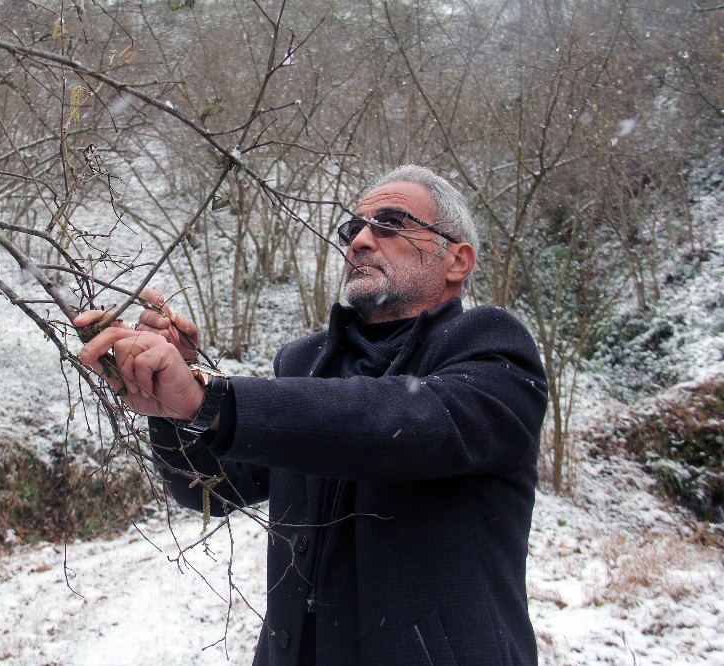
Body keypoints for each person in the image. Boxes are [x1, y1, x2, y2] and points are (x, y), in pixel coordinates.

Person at [76, 164, 548, 665]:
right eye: (354, 228)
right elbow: (208, 490)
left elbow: (404, 424)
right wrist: (172, 405)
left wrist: (211, 399)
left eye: (390, 223)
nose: (362, 240)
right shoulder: (305, 363)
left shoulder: (493, 350)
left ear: (457, 259)